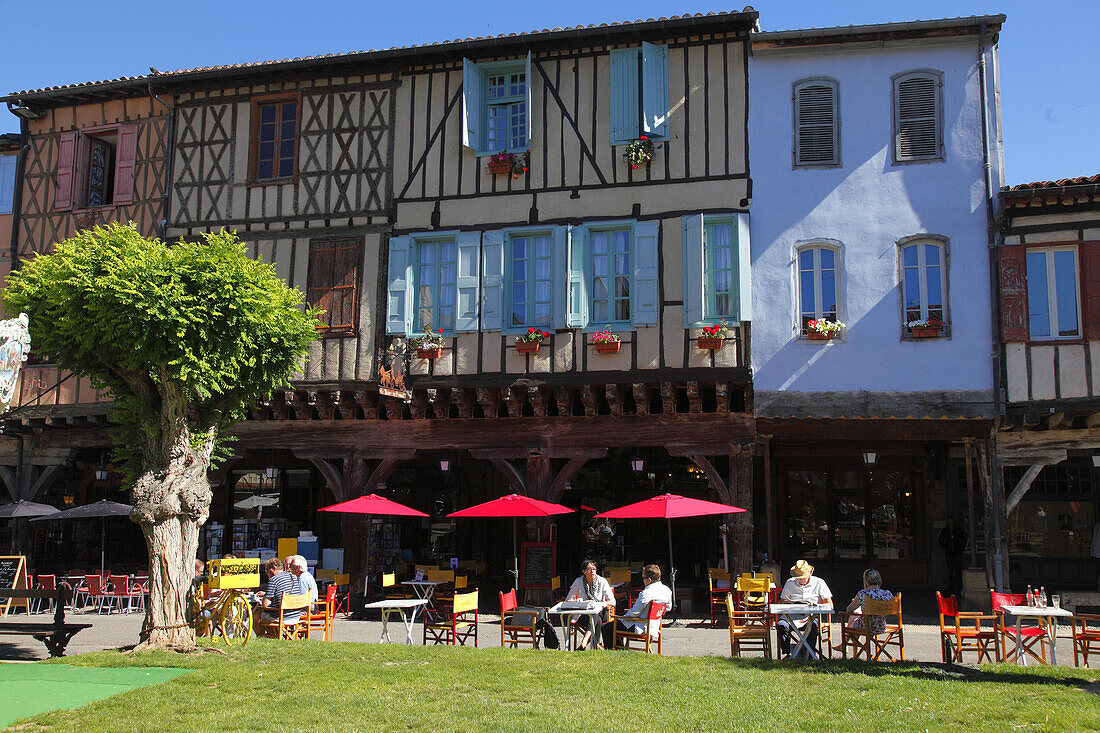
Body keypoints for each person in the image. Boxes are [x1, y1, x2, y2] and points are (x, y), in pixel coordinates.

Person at [600, 564, 672, 649]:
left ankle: (615, 651)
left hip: (641, 626)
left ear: (649, 580)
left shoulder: (647, 593)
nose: (642, 581)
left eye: (643, 578)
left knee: (607, 627)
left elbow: (635, 612)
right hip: (654, 625)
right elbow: (668, 607)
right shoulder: (667, 590)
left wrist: (622, 617)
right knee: (617, 625)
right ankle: (619, 649)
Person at [777, 559, 832, 659]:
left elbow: (830, 604)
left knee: (813, 626)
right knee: (781, 625)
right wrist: (788, 603)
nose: (801, 579)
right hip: (791, 616)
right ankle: (788, 654)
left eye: (803, 577)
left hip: (810, 616)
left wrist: (816, 605)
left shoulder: (819, 582)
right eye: (798, 578)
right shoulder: (790, 583)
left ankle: (809, 654)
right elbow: (782, 601)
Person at [565, 559, 616, 650]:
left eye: (594, 569)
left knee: (596, 615)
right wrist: (579, 603)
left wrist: (601, 604)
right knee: (597, 619)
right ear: (584, 571)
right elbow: (568, 600)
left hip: (601, 611)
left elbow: (612, 602)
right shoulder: (578, 582)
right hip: (584, 614)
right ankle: (594, 647)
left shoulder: (602, 581)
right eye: (589, 569)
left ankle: (584, 643)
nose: (592, 571)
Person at [255, 556, 302, 634]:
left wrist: (263, 598)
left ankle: (270, 636)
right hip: (296, 615)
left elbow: (265, 605)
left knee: (255, 617)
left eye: (267, 570)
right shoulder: (293, 577)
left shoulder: (273, 580)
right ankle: (277, 635)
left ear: (274, 568)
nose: (266, 573)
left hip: (282, 616)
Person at [842, 568, 894, 636]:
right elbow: (892, 609)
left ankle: (854, 644)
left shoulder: (863, 594)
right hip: (881, 627)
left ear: (866, 581)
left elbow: (848, 609)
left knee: (853, 617)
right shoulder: (887, 594)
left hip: (866, 627)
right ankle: (859, 645)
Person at [939, 516, 968, 596]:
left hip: (958, 553)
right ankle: (951, 585)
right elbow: (941, 540)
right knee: (950, 570)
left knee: (958, 569)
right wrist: (946, 547)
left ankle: (959, 585)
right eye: (949, 521)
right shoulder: (945, 531)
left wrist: (960, 548)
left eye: (952, 521)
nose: (950, 523)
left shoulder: (958, 531)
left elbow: (963, 540)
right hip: (949, 553)